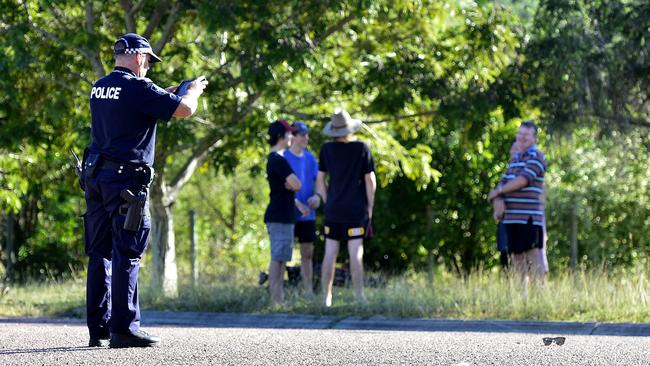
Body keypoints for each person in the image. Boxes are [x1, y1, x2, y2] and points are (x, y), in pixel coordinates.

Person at [84, 33, 206, 348]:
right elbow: (185, 111)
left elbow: (134, 105)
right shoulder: (138, 87)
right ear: (139, 57)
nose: (149, 68)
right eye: (149, 62)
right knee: (128, 251)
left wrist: (163, 94)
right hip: (127, 183)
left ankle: (99, 327)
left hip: (97, 179)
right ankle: (124, 329)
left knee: (100, 253)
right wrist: (191, 91)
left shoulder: (101, 87)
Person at [317, 109, 376, 307]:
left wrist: (327, 201)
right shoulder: (362, 148)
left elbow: (320, 180)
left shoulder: (326, 149)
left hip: (333, 209)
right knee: (355, 252)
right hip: (355, 210)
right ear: (349, 129)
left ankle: (326, 297)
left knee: (330, 252)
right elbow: (370, 181)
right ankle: (360, 297)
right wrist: (370, 209)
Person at [488, 121, 547, 285]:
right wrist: (497, 200)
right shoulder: (515, 159)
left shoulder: (537, 157)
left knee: (533, 257)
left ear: (534, 138)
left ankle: (540, 299)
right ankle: (522, 299)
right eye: (519, 134)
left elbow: (522, 180)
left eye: (526, 135)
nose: (522, 138)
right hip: (511, 218)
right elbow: (501, 184)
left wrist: (499, 192)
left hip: (528, 218)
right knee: (516, 258)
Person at [264, 120, 302, 306]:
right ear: (280, 136)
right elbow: (296, 184)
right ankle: (275, 300)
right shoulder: (277, 159)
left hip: (284, 215)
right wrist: (292, 185)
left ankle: (279, 299)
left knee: (282, 260)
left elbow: (293, 185)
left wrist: (292, 186)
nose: (292, 137)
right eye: (289, 134)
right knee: (277, 259)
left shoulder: (279, 159)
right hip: (278, 216)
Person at [284, 122, 320, 299]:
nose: (305, 138)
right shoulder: (283, 157)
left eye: (307, 134)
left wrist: (318, 197)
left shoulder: (311, 158)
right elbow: (280, 187)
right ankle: (279, 293)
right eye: (301, 134)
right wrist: (296, 203)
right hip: (287, 214)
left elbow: (320, 183)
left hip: (308, 215)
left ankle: (308, 291)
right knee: (282, 254)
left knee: (307, 253)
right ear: (293, 137)